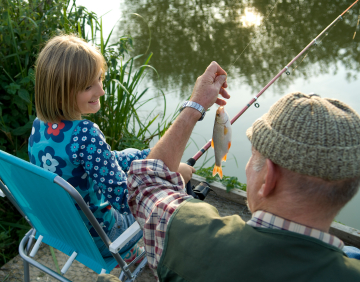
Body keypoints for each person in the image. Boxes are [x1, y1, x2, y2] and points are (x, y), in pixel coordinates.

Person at [99, 61, 360, 281]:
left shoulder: (190, 233)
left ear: (268, 178)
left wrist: (196, 105)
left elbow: (146, 181)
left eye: (253, 156)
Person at [28, 34, 193, 259]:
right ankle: (172, 256)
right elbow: (127, 200)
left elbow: (98, 161)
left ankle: (147, 159)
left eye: (100, 79)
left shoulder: (40, 127)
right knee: (178, 177)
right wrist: (173, 175)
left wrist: (147, 158)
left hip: (65, 231)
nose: (101, 91)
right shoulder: (85, 133)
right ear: (60, 93)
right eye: (88, 86)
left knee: (127, 155)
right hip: (106, 238)